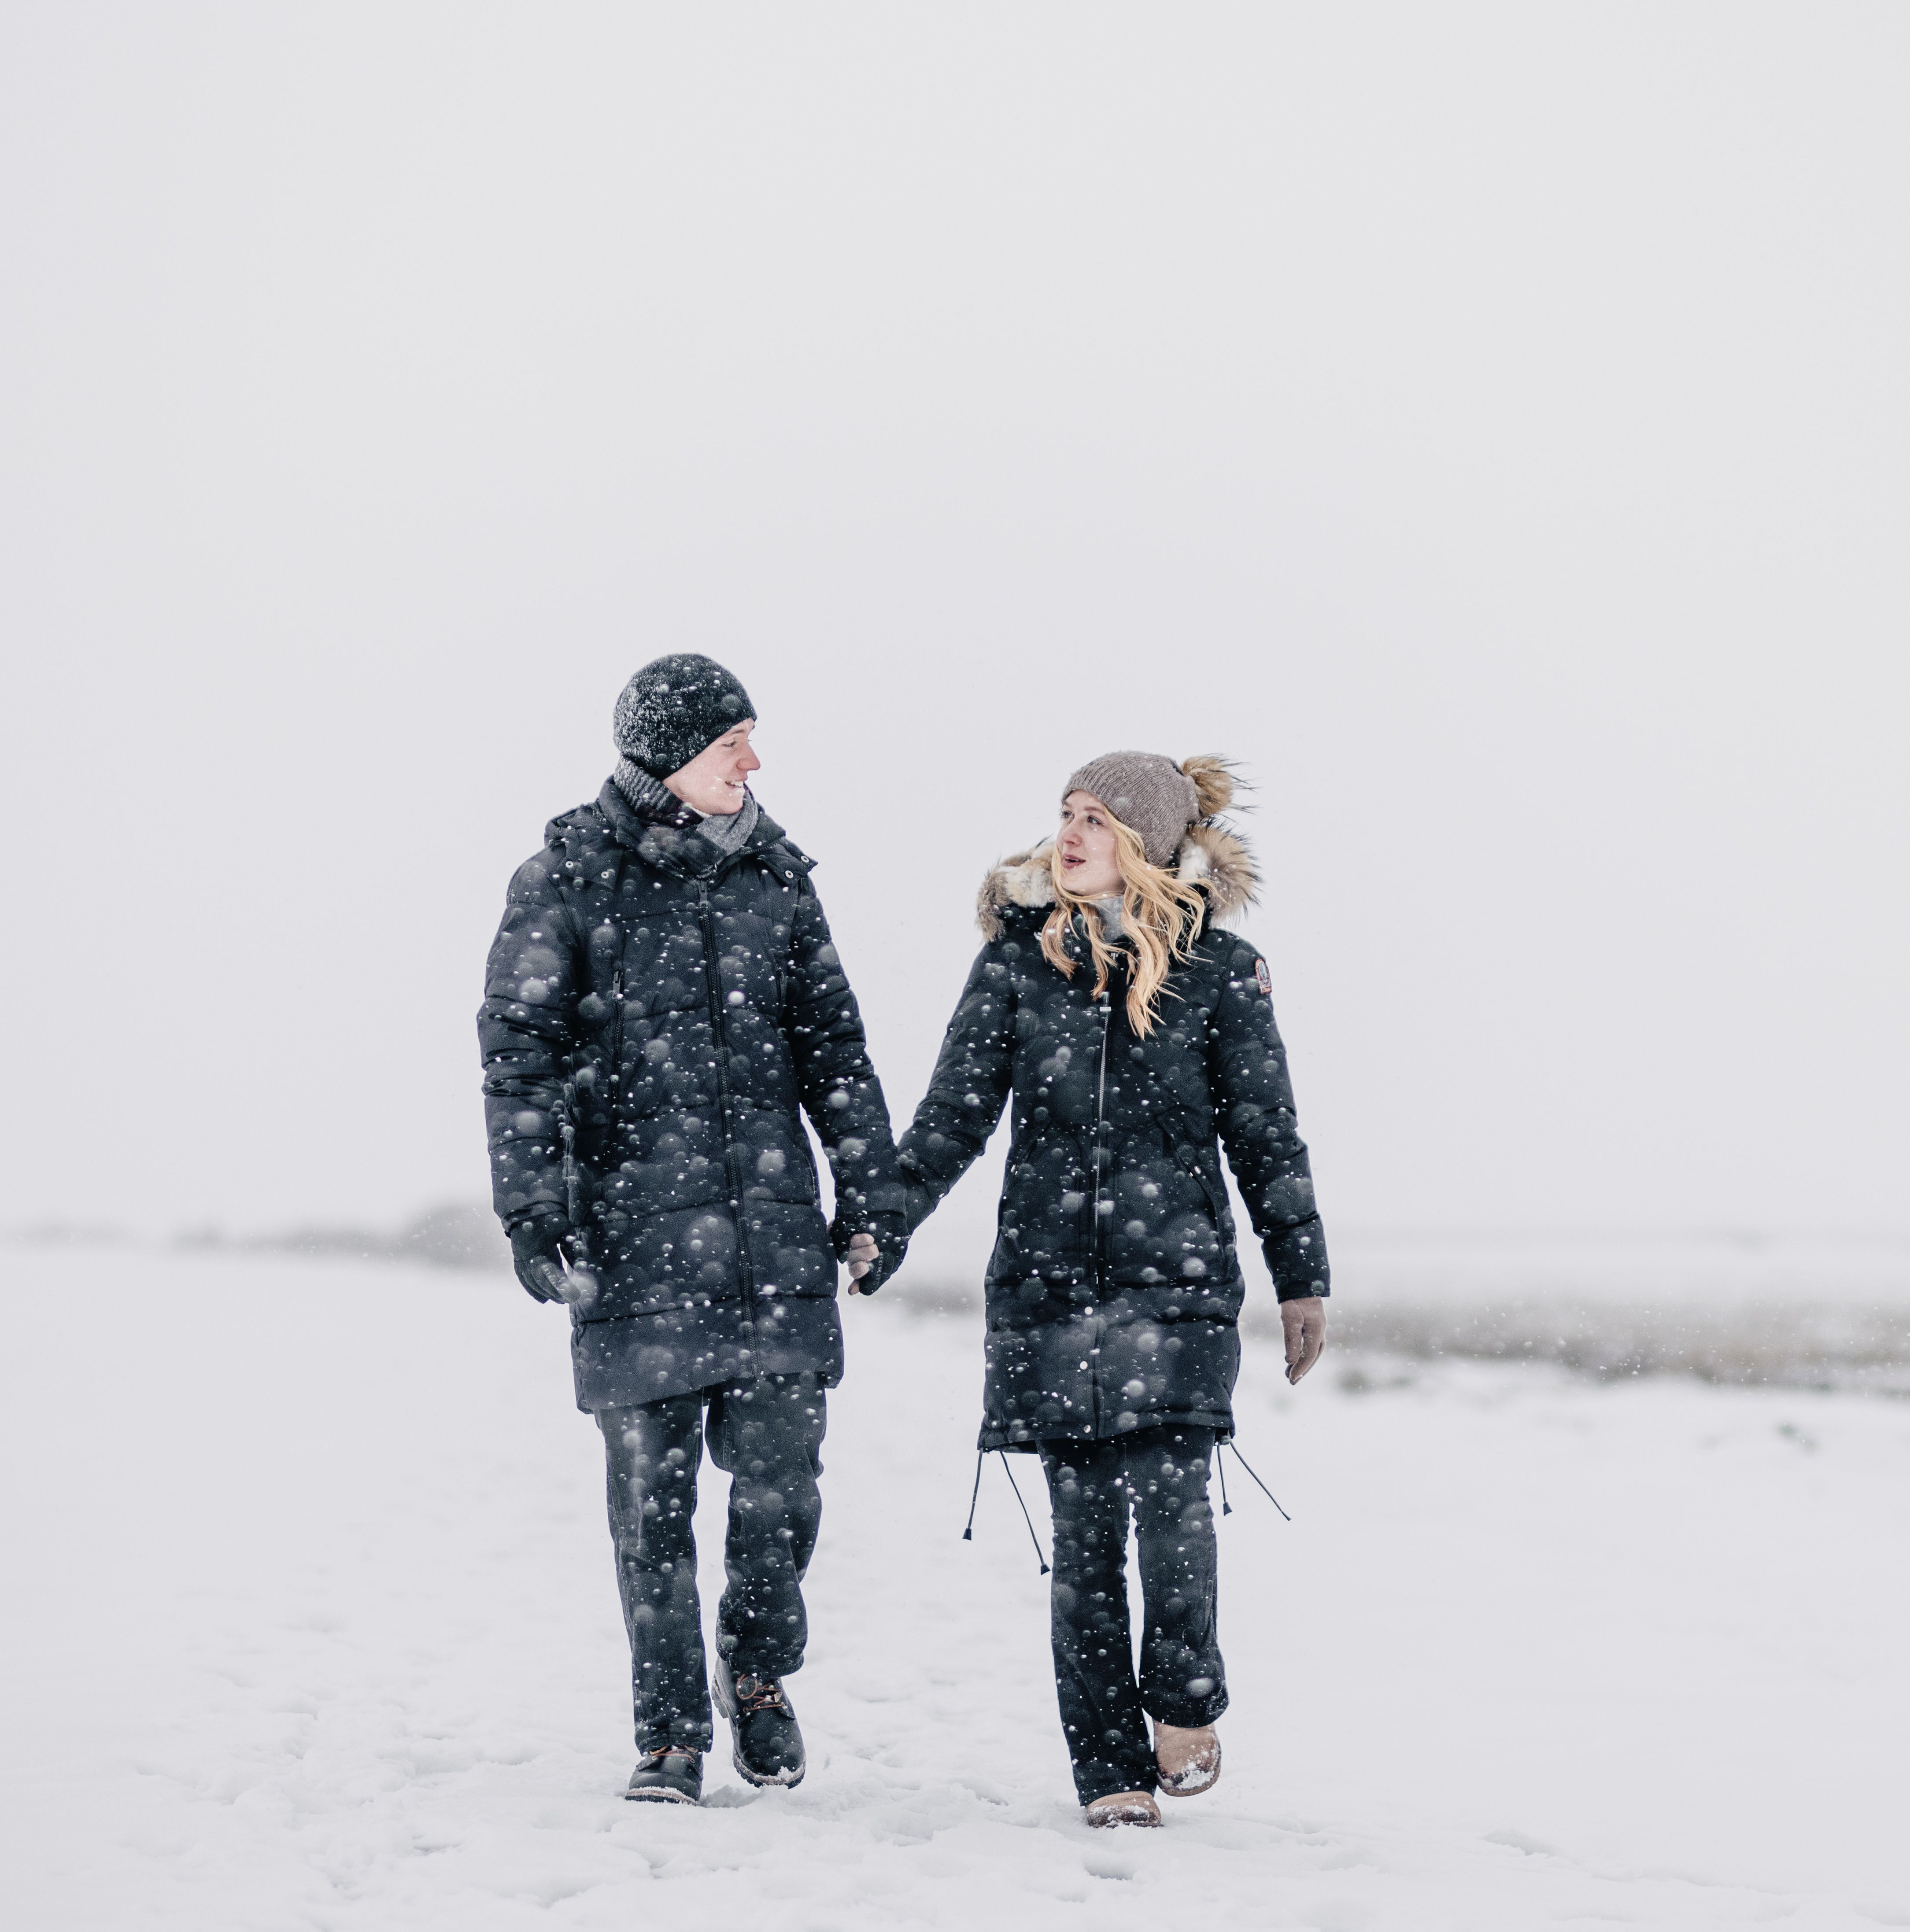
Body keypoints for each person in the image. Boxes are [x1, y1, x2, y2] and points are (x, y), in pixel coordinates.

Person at [478, 654, 908, 1806]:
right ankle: (668, 1729)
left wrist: (872, 1194)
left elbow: (836, 1052)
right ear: (669, 753)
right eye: (732, 742)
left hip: (773, 1243)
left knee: (782, 1486)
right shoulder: (565, 877)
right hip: (632, 1244)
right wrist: (534, 1210)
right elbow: (519, 1059)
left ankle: (756, 1674)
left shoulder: (778, 879)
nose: (754, 761)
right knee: (651, 1506)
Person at [894, 754, 1329, 1828]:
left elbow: (1265, 1132)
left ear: (1145, 843)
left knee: (1174, 1515)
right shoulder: (1015, 964)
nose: (1071, 833)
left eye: (1096, 818)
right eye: (1065, 813)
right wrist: (881, 1216)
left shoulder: (1219, 971)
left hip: (1174, 1279)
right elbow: (952, 1115)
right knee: (1082, 1542)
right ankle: (1107, 1770)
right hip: (1047, 1286)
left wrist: (1300, 1275)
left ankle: (1182, 1699)